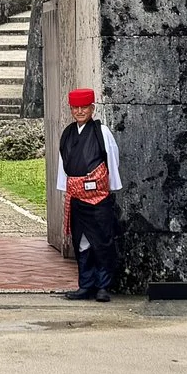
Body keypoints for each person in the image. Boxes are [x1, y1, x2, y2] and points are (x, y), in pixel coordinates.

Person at [58, 86, 123, 302]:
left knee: (102, 241)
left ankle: (103, 286)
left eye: (83, 107)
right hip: (77, 197)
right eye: (75, 108)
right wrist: (65, 187)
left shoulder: (101, 132)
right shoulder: (67, 133)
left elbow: (112, 160)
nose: (79, 111)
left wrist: (109, 187)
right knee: (81, 242)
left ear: (92, 108)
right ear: (71, 110)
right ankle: (85, 285)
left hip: (99, 198)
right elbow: (64, 163)